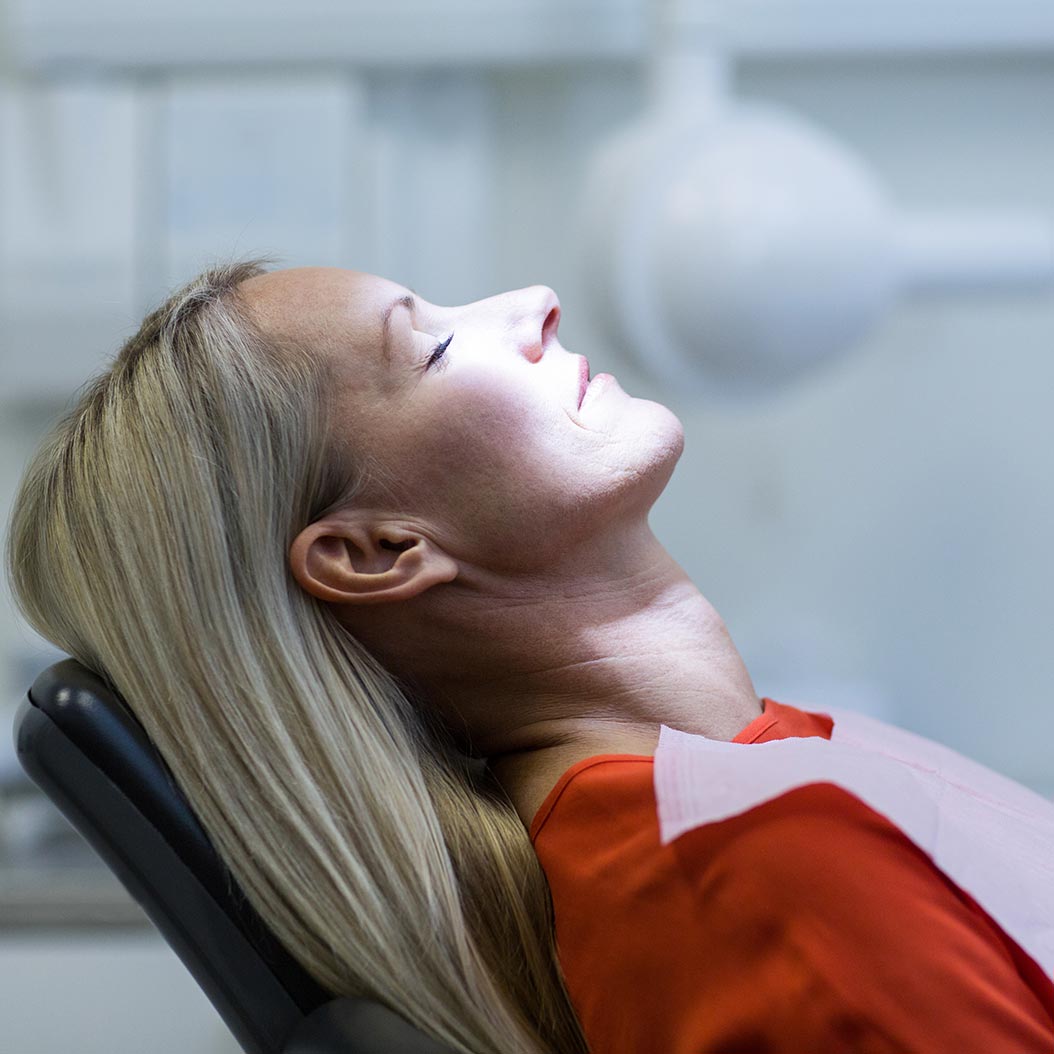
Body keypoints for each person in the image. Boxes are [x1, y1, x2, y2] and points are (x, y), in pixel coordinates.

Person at [5, 258, 1053, 1054]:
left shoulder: (737, 801)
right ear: (377, 551)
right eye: (434, 350)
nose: (536, 300)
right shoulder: (745, 878)